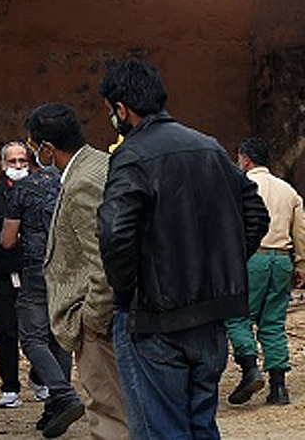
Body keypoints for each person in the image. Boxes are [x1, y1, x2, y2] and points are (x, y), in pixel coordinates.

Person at [97, 60, 268, 438]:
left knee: (161, 429)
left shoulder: (132, 154)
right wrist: (222, 266)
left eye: (111, 110)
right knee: (200, 425)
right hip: (210, 318)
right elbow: (256, 214)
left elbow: (114, 232)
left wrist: (128, 292)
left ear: (122, 109)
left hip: (154, 319)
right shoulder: (210, 147)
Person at [26, 103, 128, 439]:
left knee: (109, 411)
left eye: (32, 146)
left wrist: (93, 318)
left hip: (99, 320)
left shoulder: (82, 181)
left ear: (47, 148)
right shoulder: (100, 162)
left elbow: (102, 257)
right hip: (110, 314)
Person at [2, 146, 85, 438]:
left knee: (33, 339)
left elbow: (8, 239)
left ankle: (63, 394)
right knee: (59, 336)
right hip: (68, 269)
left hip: (36, 268)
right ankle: (54, 407)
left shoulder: (23, 190)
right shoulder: (70, 181)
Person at [225, 137, 305, 406]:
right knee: (273, 323)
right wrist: (301, 264)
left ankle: (250, 370)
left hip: (252, 258)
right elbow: (300, 231)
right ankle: (278, 388)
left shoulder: (241, 185)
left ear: (246, 159)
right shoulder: (288, 190)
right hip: (281, 260)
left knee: (238, 316)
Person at [0, 141, 38, 409]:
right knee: (7, 331)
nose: (18, 166)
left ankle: (40, 379)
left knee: (38, 328)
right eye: (12, 161)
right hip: (6, 271)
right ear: (3, 165)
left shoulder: (39, 190)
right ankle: (10, 386)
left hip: (36, 270)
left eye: (22, 161)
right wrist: (10, 224)